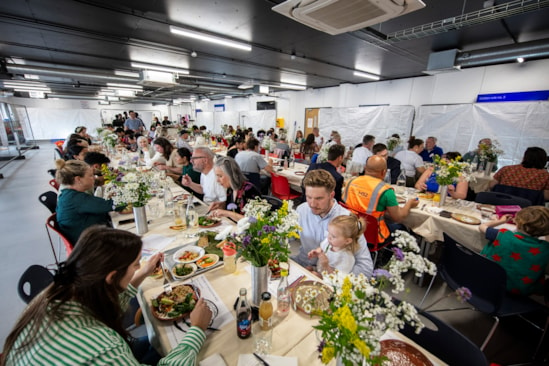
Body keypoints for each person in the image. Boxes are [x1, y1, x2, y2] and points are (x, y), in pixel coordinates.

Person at [1, 226, 212, 365]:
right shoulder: (100, 345)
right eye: (135, 263)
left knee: (158, 339)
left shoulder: (59, 293)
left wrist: (144, 272)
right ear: (111, 277)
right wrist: (197, 330)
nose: (138, 266)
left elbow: (107, 299)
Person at [294, 169, 373, 277]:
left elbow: (365, 268)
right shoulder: (301, 210)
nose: (312, 204)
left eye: (319, 198)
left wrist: (331, 278)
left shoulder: (347, 221)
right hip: (302, 265)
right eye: (309, 197)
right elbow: (285, 236)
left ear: (331, 195)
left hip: (332, 276)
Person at [343, 156, 419, 243]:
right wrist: (409, 204)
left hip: (349, 229)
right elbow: (398, 218)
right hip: (372, 235)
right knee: (402, 228)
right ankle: (394, 255)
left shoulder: (350, 182)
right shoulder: (385, 190)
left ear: (365, 168)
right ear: (384, 172)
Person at [479, 206, 549, 295]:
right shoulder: (545, 248)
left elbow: (482, 226)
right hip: (519, 291)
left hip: (488, 280)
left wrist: (501, 221)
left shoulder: (502, 234)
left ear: (518, 222)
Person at [54, 160, 114, 244]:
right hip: (91, 244)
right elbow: (113, 205)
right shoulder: (76, 199)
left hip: (86, 239)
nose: (93, 178)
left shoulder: (67, 194)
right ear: (78, 179)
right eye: (90, 175)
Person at [209, 157, 261, 222]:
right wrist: (220, 205)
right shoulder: (230, 189)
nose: (217, 180)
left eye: (220, 176)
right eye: (217, 176)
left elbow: (254, 220)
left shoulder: (249, 190)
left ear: (231, 175)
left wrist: (226, 213)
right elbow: (233, 208)